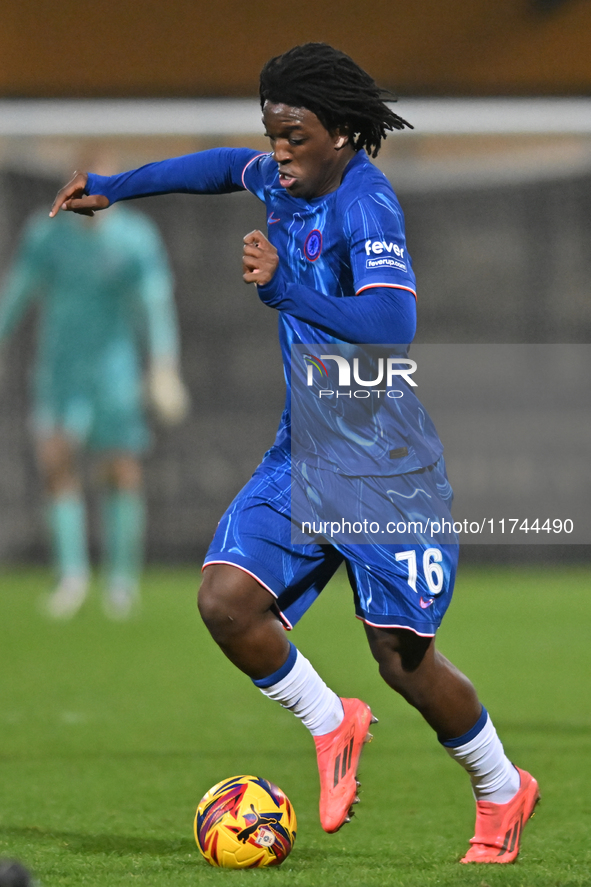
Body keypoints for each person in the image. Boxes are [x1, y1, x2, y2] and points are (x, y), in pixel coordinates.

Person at [49, 44, 539, 862]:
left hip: (385, 469)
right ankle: (330, 719)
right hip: (305, 453)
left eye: (293, 135)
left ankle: (500, 787)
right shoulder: (279, 177)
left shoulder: (367, 205)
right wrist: (116, 186)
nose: (278, 152)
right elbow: (216, 167)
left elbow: (391, 326)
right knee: (224, 602)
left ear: (342, 131)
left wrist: (286, 290)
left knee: (401, 659)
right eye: (271, 133)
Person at [0, 195, 189, 619]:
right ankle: (71, 576)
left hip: (114, 374)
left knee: (119, 469)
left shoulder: (134, 239)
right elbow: (18, 290)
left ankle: (121, 581)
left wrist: (163, 364)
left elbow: (154, 301)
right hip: (59, 369)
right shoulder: (46, 235)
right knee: (55, 461)